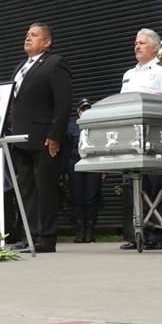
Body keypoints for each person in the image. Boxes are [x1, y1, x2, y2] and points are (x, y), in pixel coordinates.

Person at [6, 23, 72, 253]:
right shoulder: (19, 68)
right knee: (26, 189)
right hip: (20, 139)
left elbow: (63, 104)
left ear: (47, 42)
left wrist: (55, 135)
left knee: (45, 189)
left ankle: (46, 237)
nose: (28, 38)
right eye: (27, 35)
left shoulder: (55, 64)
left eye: (34, 35)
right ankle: (29, 235)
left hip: (44, 139)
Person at [118, 28, 162, 250]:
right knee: (133, 183)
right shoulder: (129, 74)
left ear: (155, 47)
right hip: (132, 136)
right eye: (136, 42)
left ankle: (157, 234)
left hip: (156, 135)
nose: (137, 46)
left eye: (143, 43)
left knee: (156, 184)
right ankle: (135, 233)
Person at [64, 98, 102, 243]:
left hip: (93, 162)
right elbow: (66, 149)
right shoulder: (71, 127)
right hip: (76, 163)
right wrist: (65, 170)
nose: (85, 112)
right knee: (77, 197)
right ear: (78, 111)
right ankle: (80, 230)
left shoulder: (97, 126)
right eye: (83, 109)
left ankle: (90, 231)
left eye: (88, 109)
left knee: (92, 197)